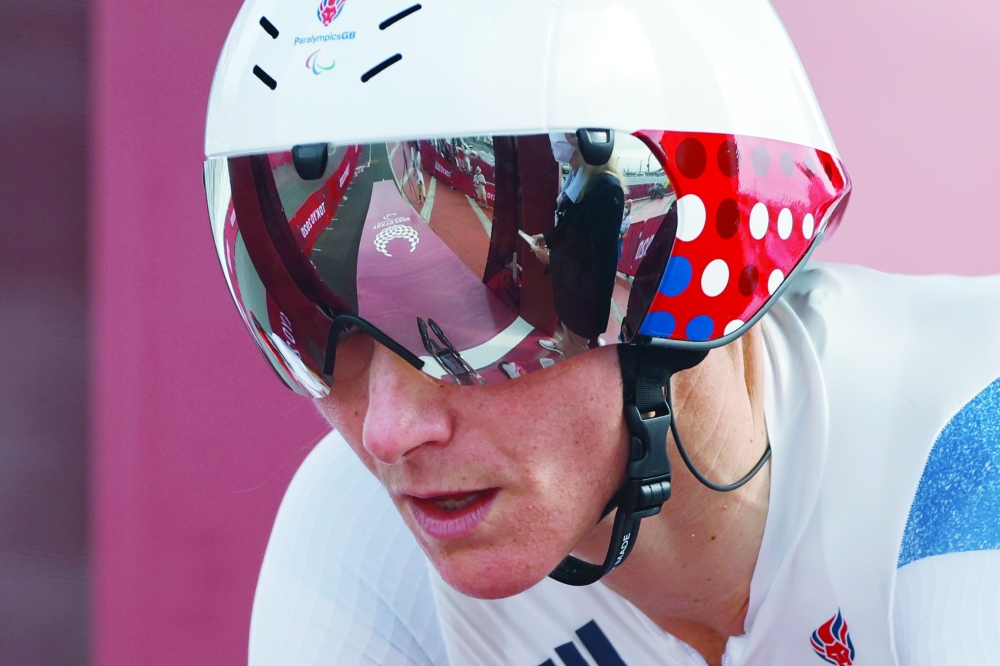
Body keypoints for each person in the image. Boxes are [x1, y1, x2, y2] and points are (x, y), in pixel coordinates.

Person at [203, 1, 1000, 665]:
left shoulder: (972, 445)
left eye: (464, 320)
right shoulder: (360, 527)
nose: (387, 431)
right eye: (310, 321)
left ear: (674, 267)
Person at [531, 132, 624, 357]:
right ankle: (565, 347)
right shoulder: (579, 178)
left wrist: (552, 259)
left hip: (583, 305)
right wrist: (549, 237)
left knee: (574, 351)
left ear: (576, 139)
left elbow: (599, 275)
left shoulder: (605, 189)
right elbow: (577, 230)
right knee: (569, 340)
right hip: (571, 295)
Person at [618, 198, 633, 267]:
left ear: (630, 208)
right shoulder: (620, 212)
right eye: (625, 207)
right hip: (615, 232)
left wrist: (620, 236)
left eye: (627, 207)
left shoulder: (629, 218)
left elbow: (626, 233)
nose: (625, 208)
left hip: (620, 236)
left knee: (617, 257)